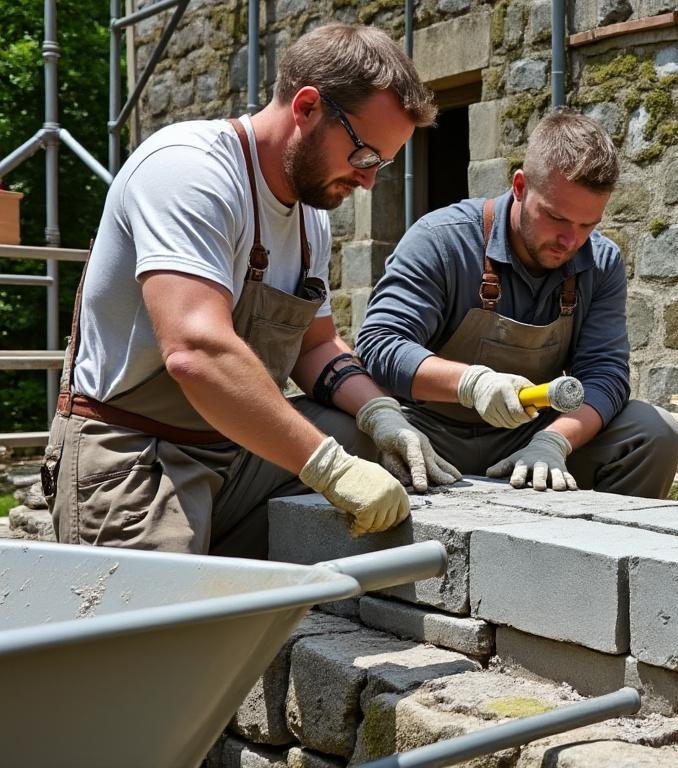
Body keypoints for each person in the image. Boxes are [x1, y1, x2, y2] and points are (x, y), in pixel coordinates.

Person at [43, 24, 459, 557]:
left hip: (235, 448)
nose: (368, 182)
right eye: (364, 156)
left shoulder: (312, 215)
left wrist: (383, 415)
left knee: (356, 434)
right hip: (139, 454)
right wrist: (327, 468)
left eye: (382, 164)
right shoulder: (188, 170)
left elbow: (314, 347)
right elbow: (197, 353)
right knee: (169, 633)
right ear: (307, 108)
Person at [356, 109, 678, 497]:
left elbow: (605, 373)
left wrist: (554, 442)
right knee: (335, 429)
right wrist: (472, 384)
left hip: (530, 437)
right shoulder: (441, 240)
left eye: (586, 225)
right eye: (556, 218)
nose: (570, 240)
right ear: (520, 187)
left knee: (654, 432)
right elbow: (380, 344)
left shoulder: (600, 261)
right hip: (428, 432)